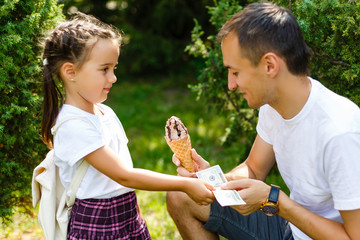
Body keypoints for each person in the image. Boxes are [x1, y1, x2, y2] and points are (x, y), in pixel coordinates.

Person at [166, 2, 360, 240]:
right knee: (182, 195)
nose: (231, 84)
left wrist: (275, 201)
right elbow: (255, 168)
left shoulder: (340, 132)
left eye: (235, 72)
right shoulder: (273, 105)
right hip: (291, 227)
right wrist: (212, 181)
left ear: (270, 65)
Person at [40, 13, 215, 239]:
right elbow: (124, 175)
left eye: (114, 68)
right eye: (104, 69)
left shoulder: (105, 112)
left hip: (127, 214)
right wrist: (184, 184)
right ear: (70, 72)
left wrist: (137, 218)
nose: (113, 78)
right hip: (97, 225)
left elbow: (124, 178)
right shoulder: (73, 126)